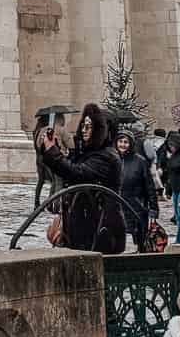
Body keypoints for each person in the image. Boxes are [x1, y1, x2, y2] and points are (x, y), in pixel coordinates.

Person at [39, 101, 126, 254]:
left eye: (89, 126)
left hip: (100, 227)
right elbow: (67, 170)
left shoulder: (106, 156)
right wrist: (52, 149)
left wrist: (53, 151)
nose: (84, 130)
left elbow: (78, 173)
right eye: (83, 126)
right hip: (85, 225)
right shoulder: (88, 153)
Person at [115, 129, 160, 251]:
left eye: (126, 142)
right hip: (117, 207)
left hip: (136, 207)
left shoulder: (140, 161)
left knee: (139, 240)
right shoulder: (112, 159)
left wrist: (154, 209)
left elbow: (149, 187)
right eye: (120, 141)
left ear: (131, 144)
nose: (123, 145)